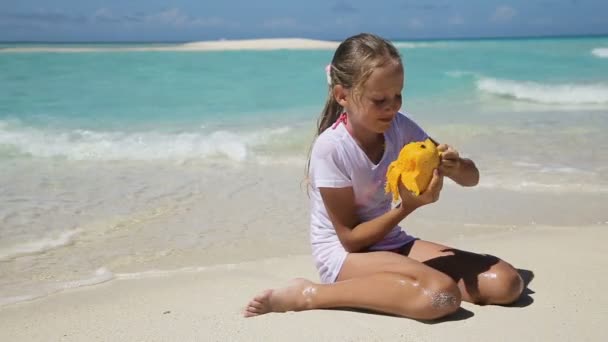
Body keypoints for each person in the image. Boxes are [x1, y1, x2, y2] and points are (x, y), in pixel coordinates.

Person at [244, 33, 523, 320]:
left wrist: (456, 165)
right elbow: (351, 240)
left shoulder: (400, 127)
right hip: (344, 256)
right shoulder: (332, 148)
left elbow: (471, 179)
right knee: (442, 295)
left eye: (398, 95)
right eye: (379, 100)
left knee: (506, 283)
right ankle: (307, 293)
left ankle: (405, 280)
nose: (392, 107)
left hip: (390, 242)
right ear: (342, 95)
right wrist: (408, 206)